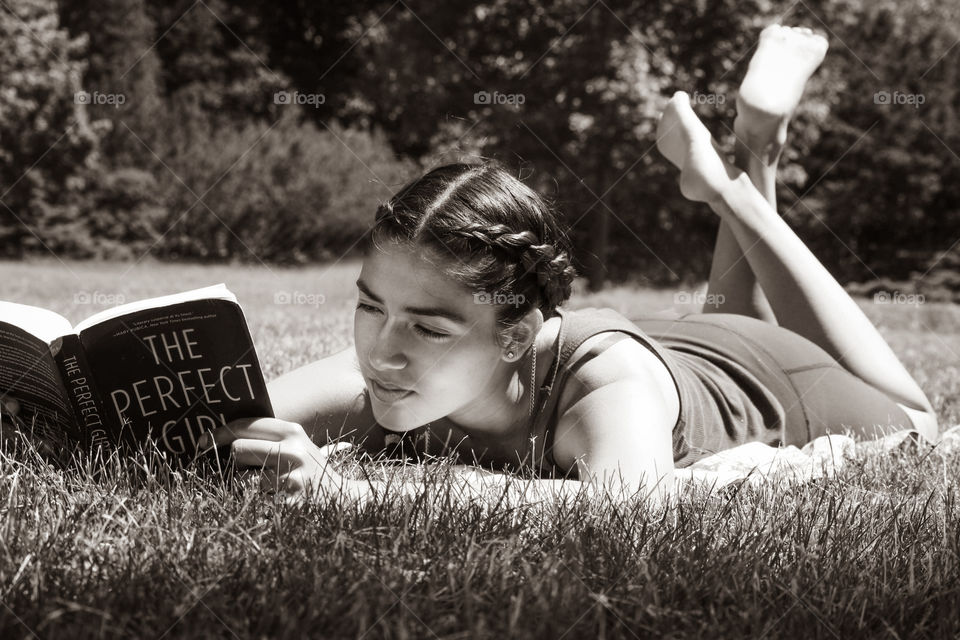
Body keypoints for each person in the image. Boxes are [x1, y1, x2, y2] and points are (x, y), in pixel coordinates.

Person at [202, 25, 939, 506]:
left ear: (518, 336)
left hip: (784, 380)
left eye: (428, 330)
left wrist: (358, 492)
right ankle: (758, 140)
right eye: (371, 307)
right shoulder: (386, 365)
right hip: (690, 353)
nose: (381, 352)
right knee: (730, 312)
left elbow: (631, 513)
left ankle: (727, 186)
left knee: (920, 418)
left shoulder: (602, 388)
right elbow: (205, 421)